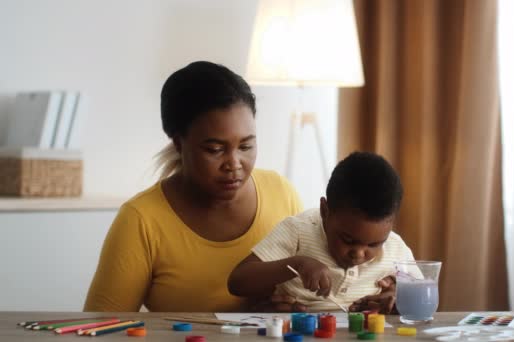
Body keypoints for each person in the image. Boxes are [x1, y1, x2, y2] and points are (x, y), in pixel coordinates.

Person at [84, 61, 304, 312]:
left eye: (245, 147)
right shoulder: (141, 220)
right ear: (178, 143)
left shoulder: (281, 194)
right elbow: (100, 328)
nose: (234, 164)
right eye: (215, 150)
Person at [228, 152, 416, 314]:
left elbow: (423, 294)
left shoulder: (394, 246)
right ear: (325, 211)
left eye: (374, 244)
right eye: (348, 240)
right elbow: (238, 281)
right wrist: (297, 264)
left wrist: (399, 296)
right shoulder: (298, 231)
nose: (359, 253)